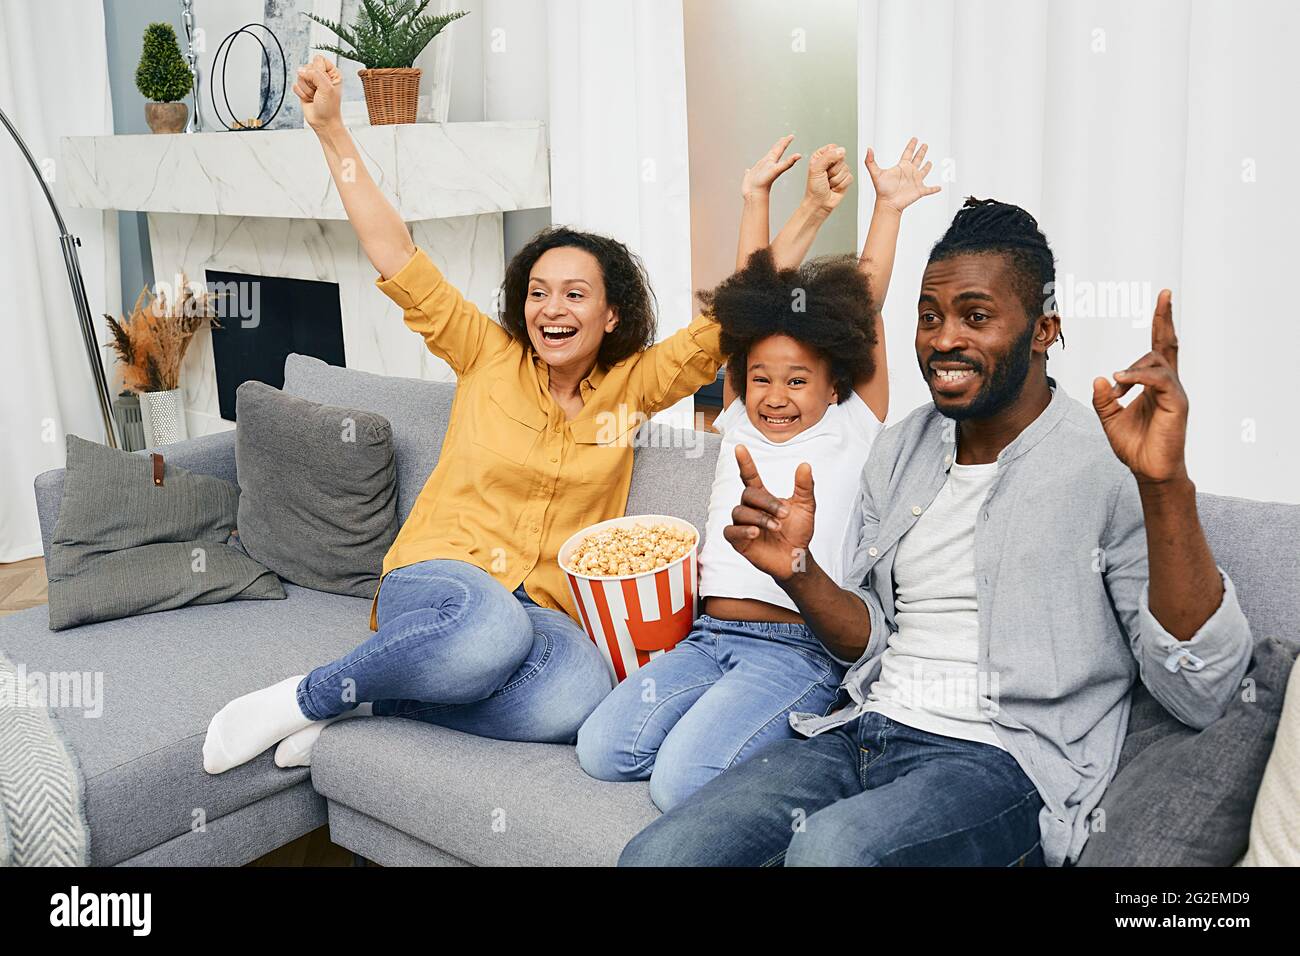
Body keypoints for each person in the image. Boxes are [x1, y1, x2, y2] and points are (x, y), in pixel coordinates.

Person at [200, 59, 855, 774]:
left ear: (611, 316)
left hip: (540, 609)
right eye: (539, 292)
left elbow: (733, 316)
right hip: (439, 582)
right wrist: (332, 131)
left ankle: (377, 701)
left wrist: (811, 213)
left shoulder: (631, 388)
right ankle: (307, 697)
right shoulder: (485, 354)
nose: (551, 308)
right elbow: (395, 252)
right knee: (486, 630)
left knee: (577, 700)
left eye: (575, 295)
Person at [619, 197, 1254, 867]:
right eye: (929, 316)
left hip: (1004, 765)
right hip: (863, 732)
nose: (944, 338)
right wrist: (798, 571)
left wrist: (1165, 486)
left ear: (1044, 330)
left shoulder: (1106, 463)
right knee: (658, 856)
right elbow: (869, 639)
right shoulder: (899, 453)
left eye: (976, 316)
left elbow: (1203, 690)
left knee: (830, 854)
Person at [576, 137, 940, 811]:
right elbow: (747, 302)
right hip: (707, 637)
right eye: (763, 379)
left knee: (679, 782)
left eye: (798, 380)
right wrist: (755, 199)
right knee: (602, 752)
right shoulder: (739, 420)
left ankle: (813, 732)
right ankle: (748, 727)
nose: (777, 396)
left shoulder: (852, 424)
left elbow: (866, 302)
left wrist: (888, 209)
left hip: (796, 647)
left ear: (835, 385)